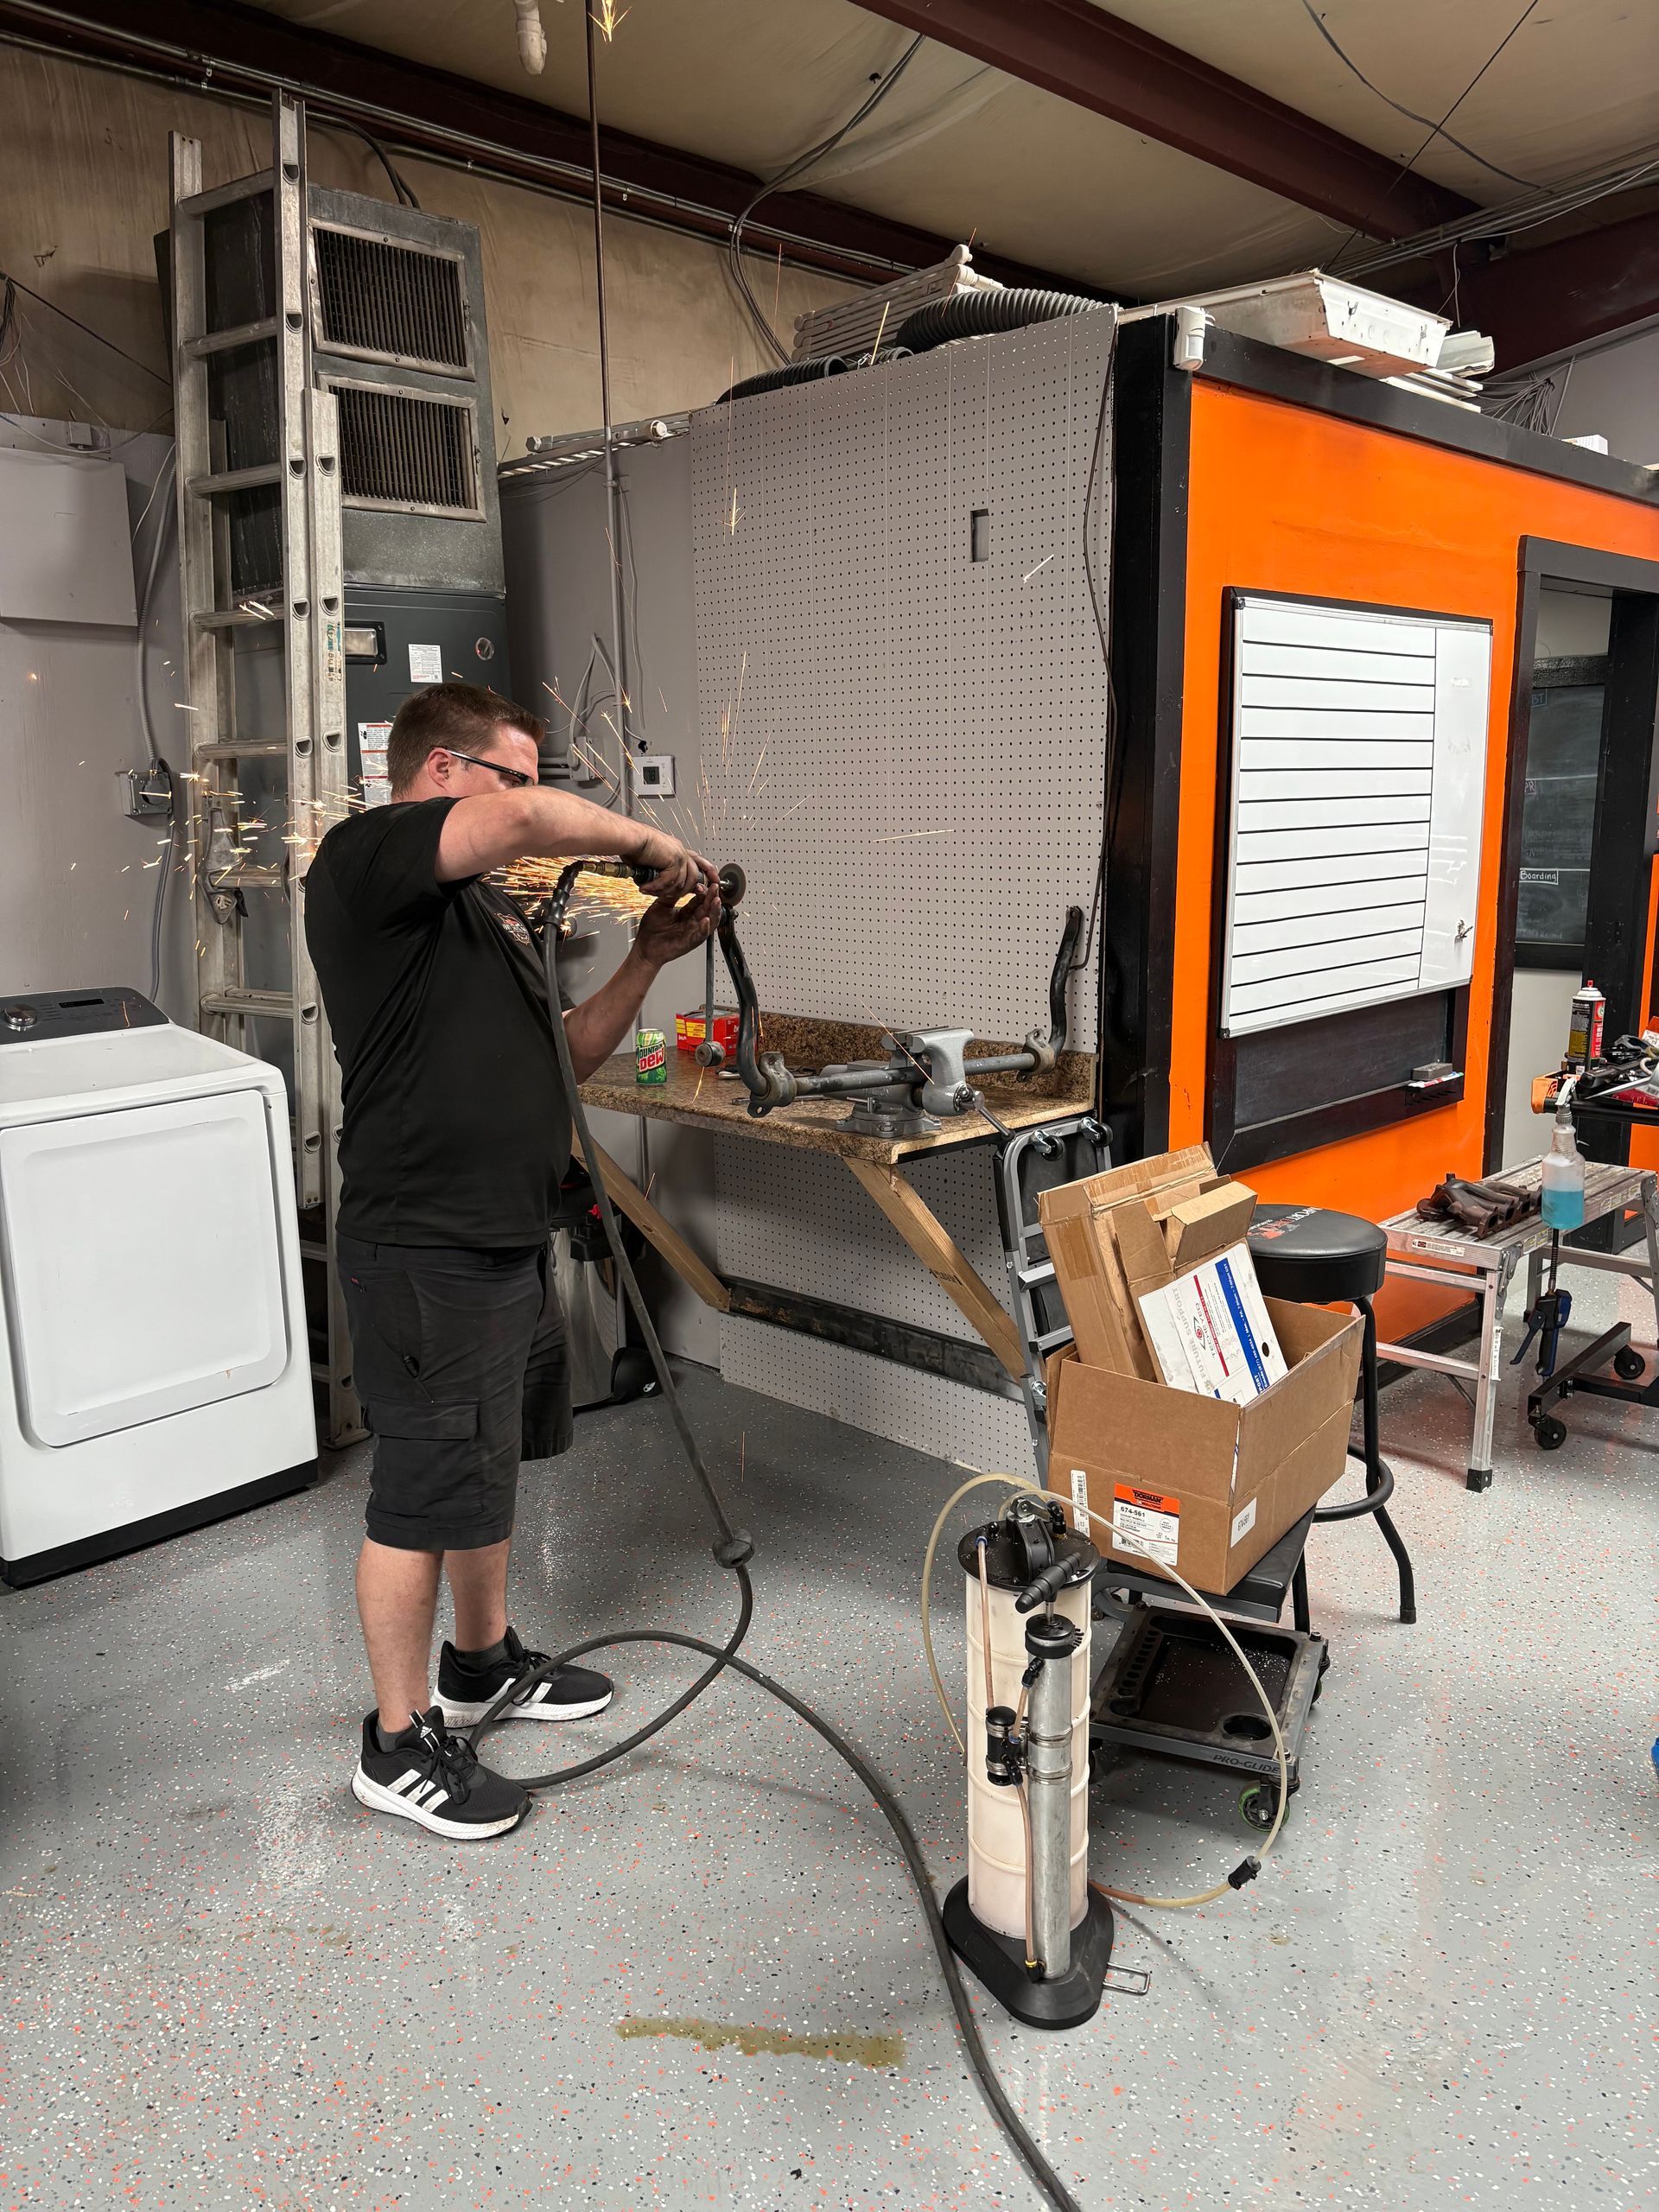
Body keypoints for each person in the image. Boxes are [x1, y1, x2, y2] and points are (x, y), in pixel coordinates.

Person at [304, 681, 717, 1840]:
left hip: (501, 1237)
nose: (532, 802)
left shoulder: (481, 916)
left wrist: (647, 956)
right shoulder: (364, 858)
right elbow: (533, 822)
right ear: (444, 772)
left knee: (481, 1471)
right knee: (418, 1495)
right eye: (514, 774)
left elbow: (563, 1058)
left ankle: (479, 1665)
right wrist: (648, 843)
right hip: (423, 1249)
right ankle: (395, 1747)